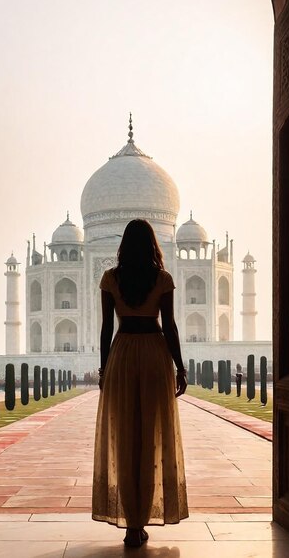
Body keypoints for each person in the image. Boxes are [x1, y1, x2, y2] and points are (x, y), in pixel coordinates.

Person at [92, 219, 189, 547]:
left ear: (123, 245)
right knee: (152, 436)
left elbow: (106, 329)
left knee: (125, 435)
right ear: (153, 245)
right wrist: (181, 367)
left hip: (122, 353)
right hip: (154, 354)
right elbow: (170, 327)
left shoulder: (110, 278)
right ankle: (141, 519)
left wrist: (104, 369)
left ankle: (131, 522)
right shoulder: (162, 278)